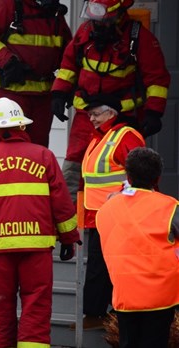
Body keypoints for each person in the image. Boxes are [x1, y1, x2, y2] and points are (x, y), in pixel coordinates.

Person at [0, 97, 81, 348]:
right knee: (37, 305)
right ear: (21, 126)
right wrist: (69, 239)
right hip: (37, 247)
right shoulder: (44, 156)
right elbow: (62, 203)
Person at [51, 0, 170, 200]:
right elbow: (69, 65)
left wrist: (154, 112)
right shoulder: (85, 31)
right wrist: (59, 93)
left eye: (101, 19)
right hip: (86, 116)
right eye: (93, 18)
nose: (95, 24)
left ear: (118, 14)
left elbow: (156, 78)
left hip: (122, 119)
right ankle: (69, 215)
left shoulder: (138, 37)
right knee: (74, 164)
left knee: (129, 166)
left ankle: (133, 208)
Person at [96, 147, 179, 347]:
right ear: (157, 178)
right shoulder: (169, 206)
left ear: (128, 176)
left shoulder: (106, 209)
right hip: (161, 296)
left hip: (125, 295)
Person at [77, 98, 145, 330]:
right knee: (101, 265)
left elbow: (141, 174)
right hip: (99, 216)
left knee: (109, 266)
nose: (92, 119)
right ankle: (99, 315)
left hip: (120, 215)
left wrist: (125, 197)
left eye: (96, 114)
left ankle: (101, 315)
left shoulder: (124, 135)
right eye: (90, 115)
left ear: (111, 113)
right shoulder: (101, 137)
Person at [0, 0, 72, 147]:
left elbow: (69, 55)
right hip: (9, 92)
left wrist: (64, 90)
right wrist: (8, 61)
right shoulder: (8, 5)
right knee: (6, 148)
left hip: (42, 97)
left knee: (37, 150)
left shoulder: (55, 13)